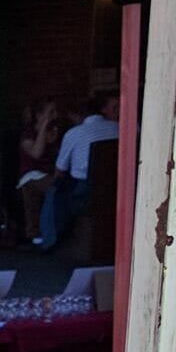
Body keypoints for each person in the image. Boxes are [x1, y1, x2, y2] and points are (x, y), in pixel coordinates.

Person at [39, 92, 119, 252]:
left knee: (55, 192)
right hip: (118, 188)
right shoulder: (120, 128)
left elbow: (60, 171)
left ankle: (50, 240)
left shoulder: (74, 133)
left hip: (85, 192)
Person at [14, 101, 63, 247]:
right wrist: (42, 128)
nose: (55, 115)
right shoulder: (28, 135)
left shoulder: (58, 131)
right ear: (39, 115)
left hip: (53, 173)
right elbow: (36, 153)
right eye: (51, 112)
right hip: (33, 175)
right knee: (53, 188)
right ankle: (34, 231)